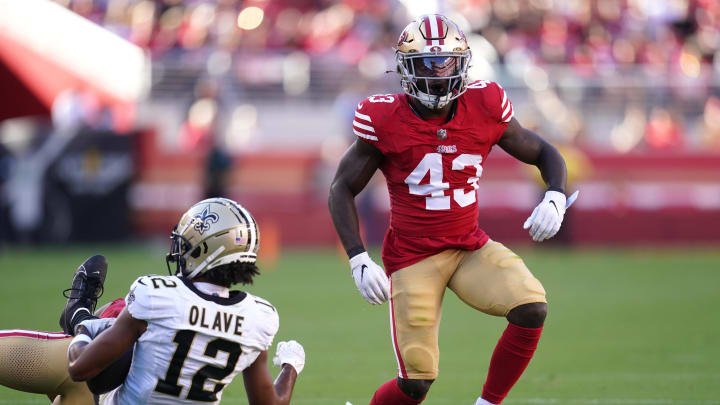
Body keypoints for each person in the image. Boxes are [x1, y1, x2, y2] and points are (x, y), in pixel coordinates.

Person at [328, 15, 572, 405]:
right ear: (405, 67)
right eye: (426, 62)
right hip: (412, 258)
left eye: (446, 62)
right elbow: (341, 187)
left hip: (468, 248)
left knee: (531, 306)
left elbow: (542, 150)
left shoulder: (486, 103)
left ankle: (487, 403)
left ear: (463, 63)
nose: (438, 73)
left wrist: (556, 194)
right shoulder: (384, 117)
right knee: (416, 382)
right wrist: (358, 258)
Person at [0, 197, 306, 405]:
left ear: (203, 252)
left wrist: (85, 332)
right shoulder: (259, 318)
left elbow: (80, 368)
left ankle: (79, 314)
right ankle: (83, 315)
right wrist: (291, 365)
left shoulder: (158, 294)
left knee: (99, 340)